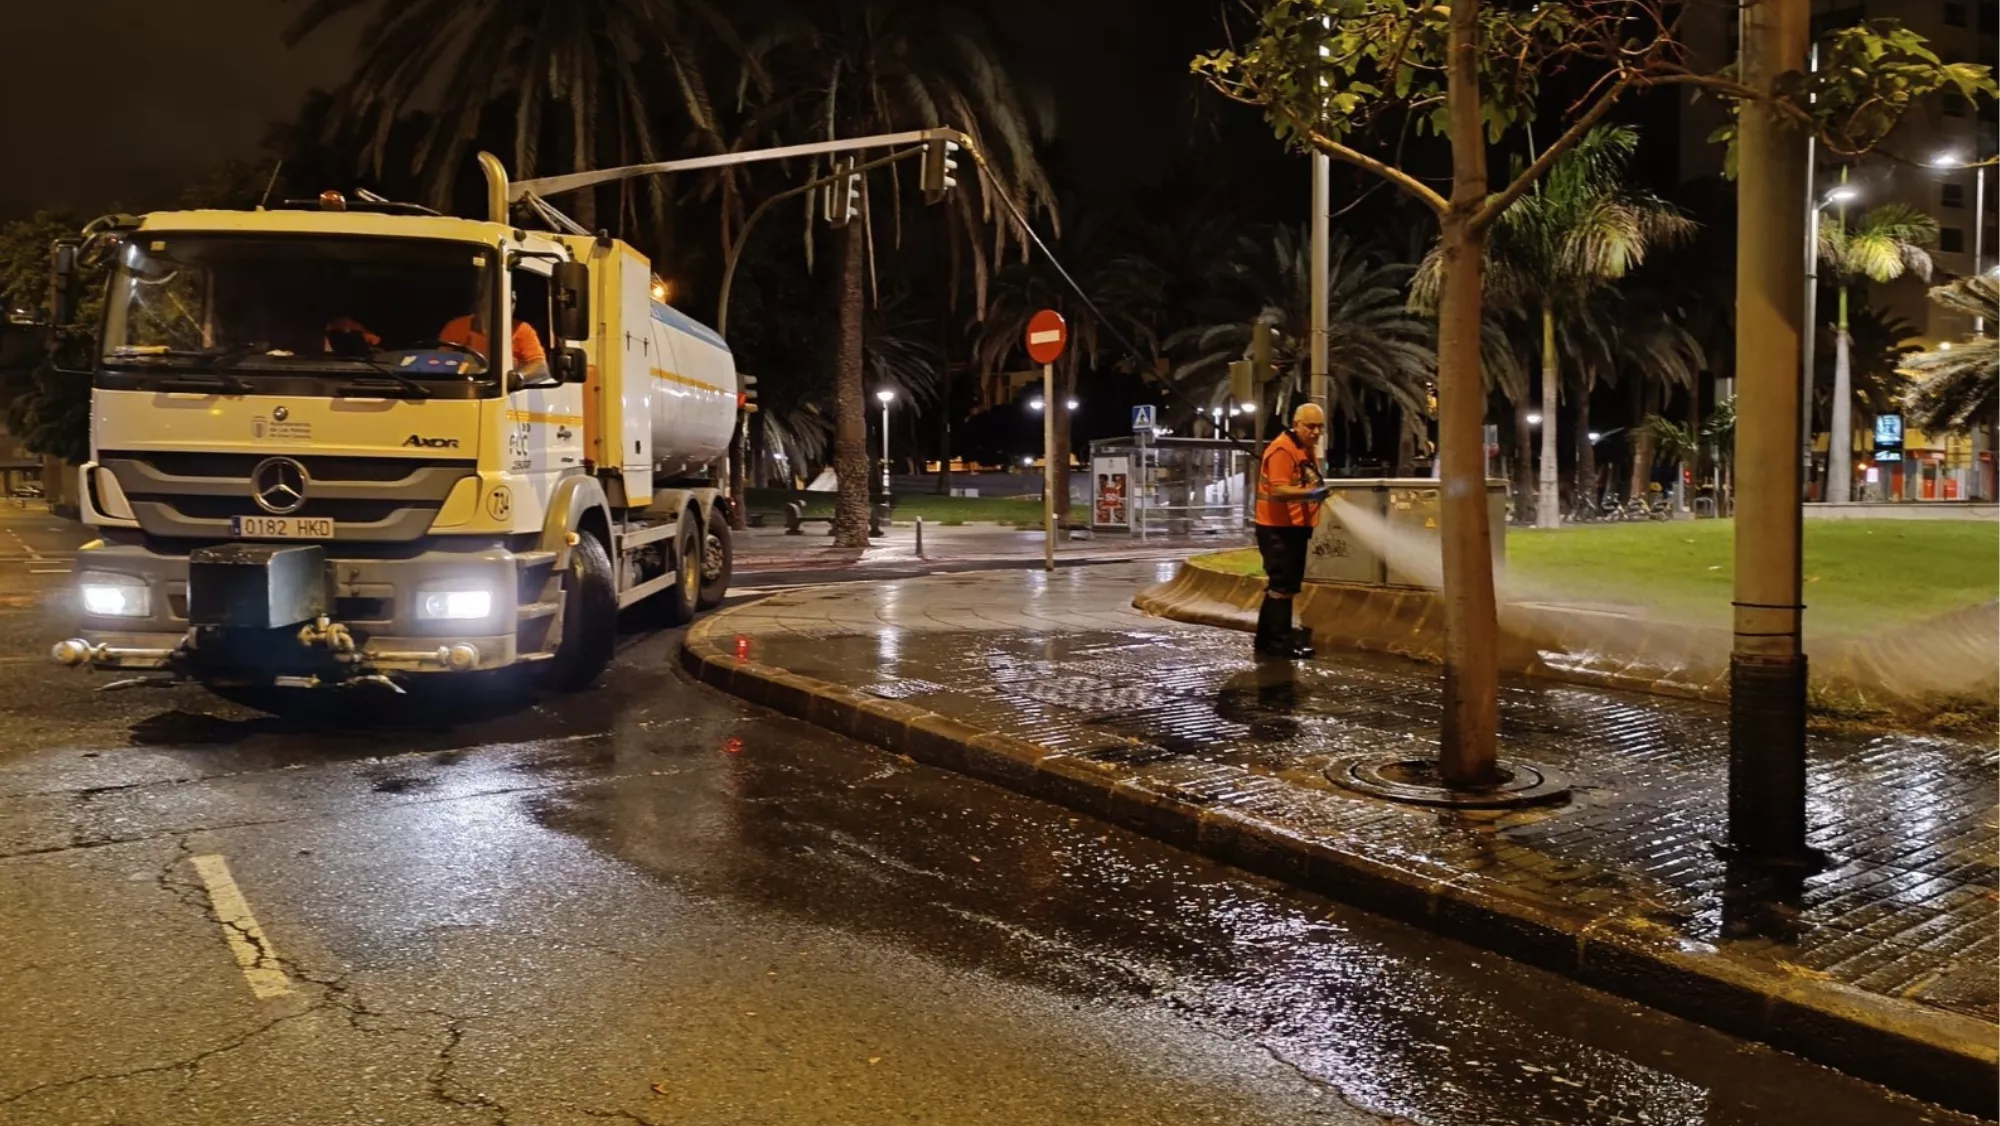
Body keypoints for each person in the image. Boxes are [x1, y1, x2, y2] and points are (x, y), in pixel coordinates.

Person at [1253, 402, 1331, 659]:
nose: (1316, 431)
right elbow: (1279, 489)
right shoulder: (1283, 450)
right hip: (1277, 528)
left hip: (1291, 527)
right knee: (1282, 587)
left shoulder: (1302, 449)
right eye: (1310, 426)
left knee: (1282, 585)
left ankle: (1267, 641)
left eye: (1319, 426)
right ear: (1296, 424)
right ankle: (1279, 643)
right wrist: (1312, 492)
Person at [438, 296, 548, 380]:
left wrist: (518, 377)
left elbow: (540, 367)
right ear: (479, 303)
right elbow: (440, 361)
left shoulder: (522, 330)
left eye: (512, 301)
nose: (509, 305)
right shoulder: (456, 326)